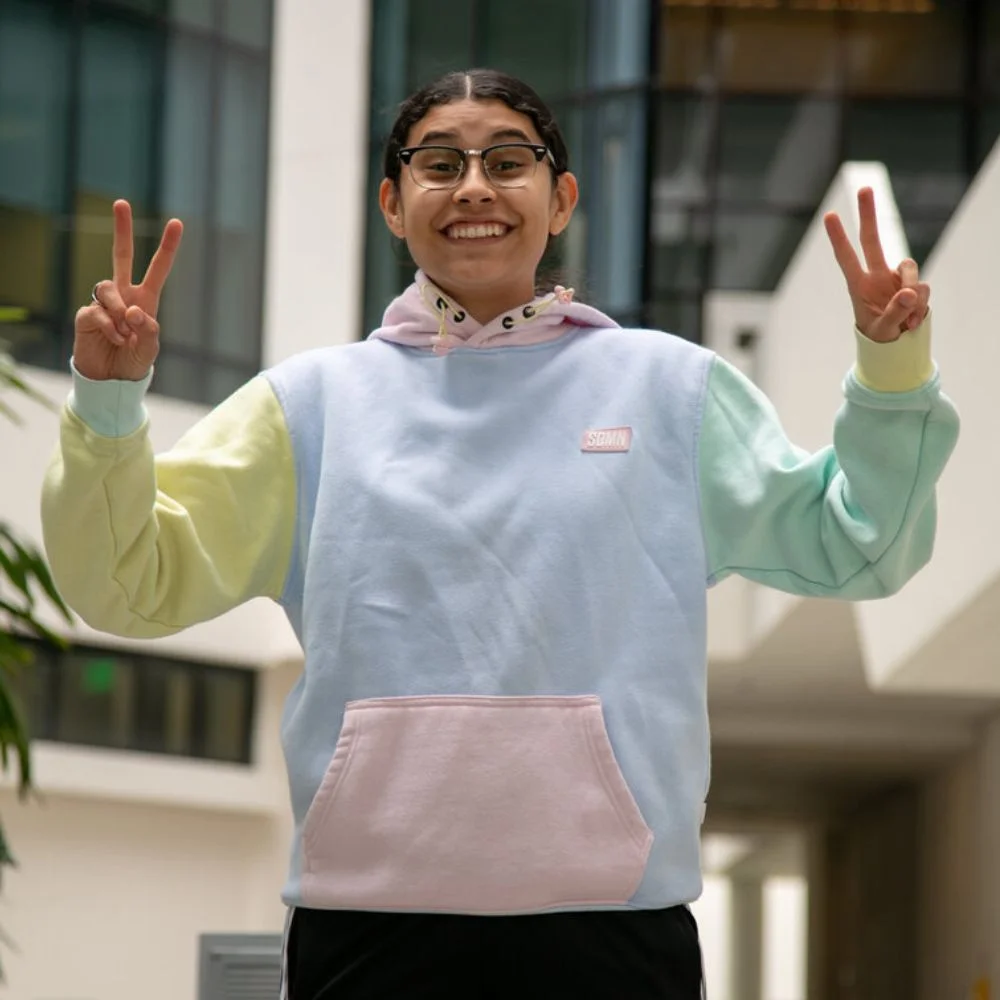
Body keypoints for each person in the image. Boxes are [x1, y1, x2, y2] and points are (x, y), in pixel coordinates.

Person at [41, 69, 959, 999]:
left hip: (618, 931)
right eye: (440, 164)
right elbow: (126, 580)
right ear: (393, 204)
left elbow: (857, 543)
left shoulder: (670, 389)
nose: (474, 187)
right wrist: (108, 401)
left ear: (561, 199)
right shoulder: (308, 406)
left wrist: (892, 370)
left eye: (508, 162)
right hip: (366, 929)